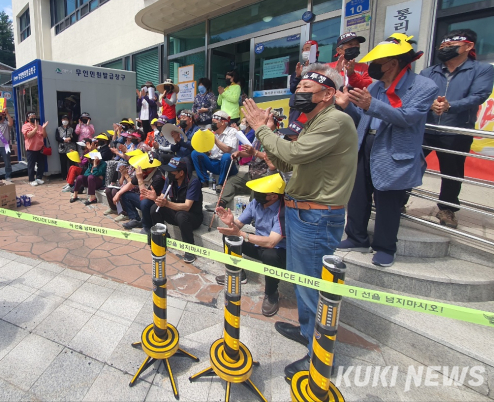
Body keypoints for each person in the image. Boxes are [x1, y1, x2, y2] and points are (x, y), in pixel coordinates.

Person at [242, 64, 358, 380]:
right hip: (301, 212)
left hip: (315, 216)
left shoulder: (336, 120)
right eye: (299, 87)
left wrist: (261, 129)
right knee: (301, 279)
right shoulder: (314, 122)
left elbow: (294, 155)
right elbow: (288, 161)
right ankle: (308, 330)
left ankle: (319, 358)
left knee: (311, 285)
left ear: (328, 93)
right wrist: (268, 140)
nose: (299, 92)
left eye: (307, 88)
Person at [336, 34, 439, 267]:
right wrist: (347, 106)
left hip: (393, 149)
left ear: (392, 63)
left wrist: (370, 104)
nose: (372, 66)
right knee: (358, 196)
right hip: (365, 144)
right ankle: (356, 237)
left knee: (388, 202)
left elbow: (407, 118)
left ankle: (385, 247)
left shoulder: (424, 86)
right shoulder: (375, 86)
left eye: (377, 62)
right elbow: (362, 117)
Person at [420, 29, 494, 228]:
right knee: (411, 165)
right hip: (426, 128)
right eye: (443, 46)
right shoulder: (429, 72)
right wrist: (429, 104)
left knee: (452, 173)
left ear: (469, 46)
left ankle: (447, 209)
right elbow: (418, 94)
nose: (445, 49)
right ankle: (400, 200)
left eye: (451, 45)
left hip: (457, 129)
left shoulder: (481, 70)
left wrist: (450, 105)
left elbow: (479, 95)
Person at [215, 174, 287, 317]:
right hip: (258, 245)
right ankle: (237, 273)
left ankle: (271, 293)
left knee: (270, 255)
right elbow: (238, 225)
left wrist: (243, 235)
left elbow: (271, 242)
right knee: (229, 236)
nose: (256, 194)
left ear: (274, 196)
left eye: (261, 192)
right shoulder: (256, 203)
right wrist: (231, 223)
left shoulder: (284, 211)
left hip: (278, 251)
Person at [150, 157, 204, 263]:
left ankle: (189, 250)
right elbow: (162, 198)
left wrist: (167, 203)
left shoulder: (193, 182)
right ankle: (163, 237)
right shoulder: (170, 180)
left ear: (181, 173)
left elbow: (187, 206)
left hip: (193, 217)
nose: (169, 173)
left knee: (181, 216)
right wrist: (155, 198)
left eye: (172, 171)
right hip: (177, 213)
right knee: (154, 208)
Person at [191, 110, 239, 188]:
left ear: (222, 122)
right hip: (213, 162)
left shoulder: (232, 131)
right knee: (195, 153)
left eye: (214, 122)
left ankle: (221, 183)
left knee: (226, 156)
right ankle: (204, 181)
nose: (212, 124)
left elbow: (227, 149)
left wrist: (214, 139)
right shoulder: (213, 132)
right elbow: (206, 151)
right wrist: (204, 138)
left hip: (228, 165)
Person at [116, 155, 165, 230]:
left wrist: (140, 179)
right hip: (145, 199)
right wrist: (118, 193)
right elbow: (131, 184)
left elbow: (144, 196)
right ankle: (134, 219)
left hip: (155, 203)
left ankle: (147, 226)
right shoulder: (145, 172)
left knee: (144, 202)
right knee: (125, 194)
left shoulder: (158, 177)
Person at [21, 112, 49, 186]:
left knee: (41, 164)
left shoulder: (39, 126)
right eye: (32, 117)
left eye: (35, 117)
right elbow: (28, 135)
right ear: (28, 119)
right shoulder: (25, 126)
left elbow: (44, 136)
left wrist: (43, 128)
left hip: (40, 148)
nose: (34, 118)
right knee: (31, 165)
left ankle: (39, 178)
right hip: (31, 149)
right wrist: (35, 128)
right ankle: (31, 179)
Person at [56, 114, 77, 180]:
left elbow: (75, 138)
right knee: (63, 163)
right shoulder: (58, 129)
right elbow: (57, 138)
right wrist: (63, 140)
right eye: (63, 119)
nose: (65, 121)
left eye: (66, 119)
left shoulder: (72, 129)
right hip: (62, 148)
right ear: (61, 120)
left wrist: (70, 139)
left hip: (71, 148)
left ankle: (72, 176)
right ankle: (64, 176)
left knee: (72, 163)